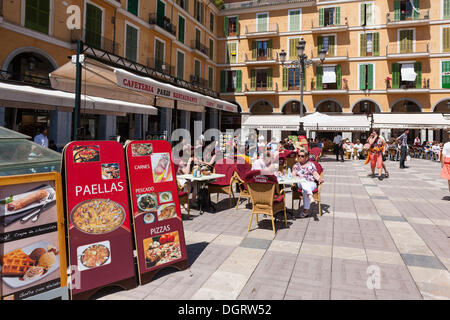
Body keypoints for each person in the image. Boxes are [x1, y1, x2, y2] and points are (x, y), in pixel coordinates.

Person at [292, 148, 324, 218]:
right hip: (300, 182)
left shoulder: (311, 164)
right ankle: (310, 196)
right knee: (303, 180)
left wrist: (319, 179)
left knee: (305, 190)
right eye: (299, 155)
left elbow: (315, 174)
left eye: (302, 156)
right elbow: (293, 176)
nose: (300, 157)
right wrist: (298, 178)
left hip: (311, 183)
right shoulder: (296, 165)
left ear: (306, 157)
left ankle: (306, 210)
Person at [440, 131, 450, 196]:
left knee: (449, 179)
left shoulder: (446, 144)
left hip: (447, 162)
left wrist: (442, 164)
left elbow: (443, 155)